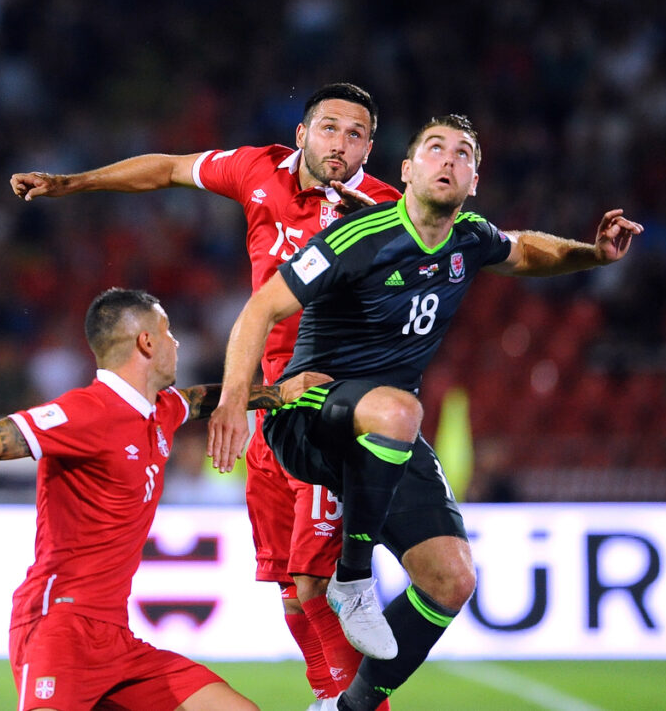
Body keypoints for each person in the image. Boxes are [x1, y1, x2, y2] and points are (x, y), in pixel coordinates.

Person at [206, 114, 644, 711]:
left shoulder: (469, 237)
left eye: (462, 154)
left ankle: (347, 708)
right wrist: (235, 399)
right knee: (395, 416)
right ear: (406, 171)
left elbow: (526, 251)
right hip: (307, 416)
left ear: (473, 180)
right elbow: (260, 309)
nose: (448, 160)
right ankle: (354, 578)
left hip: (386, 427)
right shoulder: (356, 238)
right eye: (434, 149)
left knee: (452, 578)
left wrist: (592, 254)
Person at [10, 83, 402, 702]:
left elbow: (458, 253)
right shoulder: (255, 170)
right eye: (329, 128)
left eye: (356, 135)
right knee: (285, 583)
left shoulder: (385, 210)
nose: (340, 144)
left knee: (314, 580)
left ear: (370, 148)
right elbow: (165, 169)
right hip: (271, 404)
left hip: (328, 407)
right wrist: (71, 184)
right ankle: (330, 695)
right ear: (301, 133)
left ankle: (356, 703)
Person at [0, 287, 326, 711]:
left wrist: (277, 394)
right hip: (58, 628)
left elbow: (200, 400)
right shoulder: (85, 412)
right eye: (168, 333)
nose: (177, 343)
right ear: (146, 342)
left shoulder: (159, 410)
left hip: (118, 641)